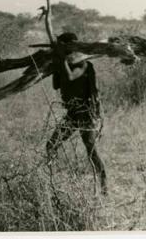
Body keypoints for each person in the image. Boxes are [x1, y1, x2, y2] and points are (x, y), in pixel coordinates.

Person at [47, 32, 107, 195]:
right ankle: (51, 183)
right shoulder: (66, 63)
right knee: (51, 146)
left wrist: (61, 59)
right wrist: (56, 64)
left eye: (63, 46)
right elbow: (56, 85)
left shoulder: (84, 65)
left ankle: (104, 187)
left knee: (91, 150)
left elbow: (70, 76)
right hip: (73, 112)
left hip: (86, 112)